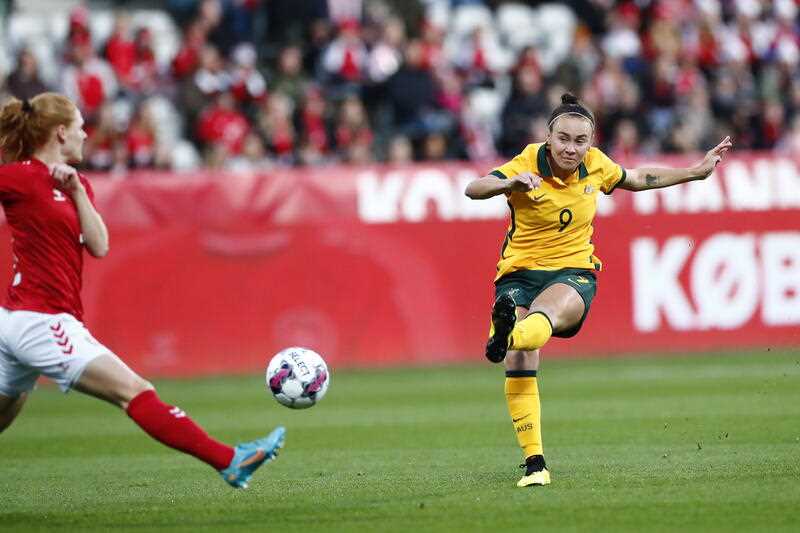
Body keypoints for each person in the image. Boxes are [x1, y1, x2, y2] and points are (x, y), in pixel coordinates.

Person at [0, 92, 284, 489]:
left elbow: (98, 245)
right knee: (134, 391)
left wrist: (77, 192)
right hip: (40, 320)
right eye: (80, 125)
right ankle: (230, 460)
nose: (86, 133)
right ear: (60, 132)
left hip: (21, 321)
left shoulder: (76, 182)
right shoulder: (21, 175)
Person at [465, 93, 732, 488]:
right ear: (549, 136)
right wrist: (510, 182)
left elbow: (638, 177)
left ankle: (505, 334)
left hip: (573, 271)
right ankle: (535, 464)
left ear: (590, 141)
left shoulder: (596, 165)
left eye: (580, 140)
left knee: (544, 318)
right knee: (520, 362)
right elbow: (475, 188)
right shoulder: (527, 160)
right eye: (564, 139)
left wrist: (693, 172)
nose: (571, 148)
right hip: (519, 274)